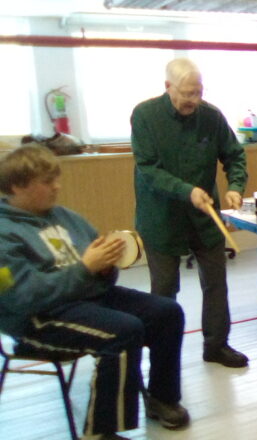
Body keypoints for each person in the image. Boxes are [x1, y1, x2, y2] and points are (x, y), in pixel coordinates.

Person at [0, 145, 189, 440]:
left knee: (166, 312)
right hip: (37, 319)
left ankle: (162, 398)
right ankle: (101, 432)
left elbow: (100, 273)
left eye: (56, 178)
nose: (57, 187)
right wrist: (86, 269)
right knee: (123, 330)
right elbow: (21, 297)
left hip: (85, 298)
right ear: (16, 187)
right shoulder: (3, 232)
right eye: (47, 182)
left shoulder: (65, 216)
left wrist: (105, 268)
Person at [130, 58, 249, 368]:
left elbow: (234, 156)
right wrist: (187, 191)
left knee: (216, 282)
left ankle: (216, 345)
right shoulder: (144, 116)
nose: (193, 101)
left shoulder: (211, 116)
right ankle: (163, 356)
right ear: (168, 87)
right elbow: (148, 169)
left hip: (204, 217)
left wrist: (236, 186)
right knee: (165, 290)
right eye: (186, 93)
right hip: (161, 217)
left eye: (197, 92)